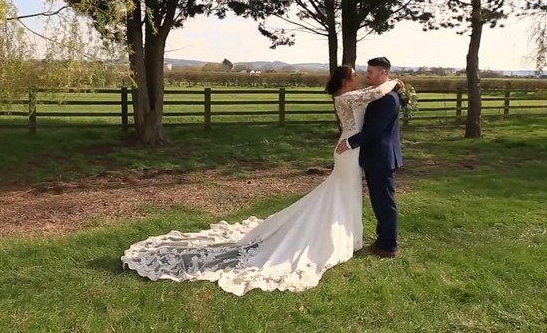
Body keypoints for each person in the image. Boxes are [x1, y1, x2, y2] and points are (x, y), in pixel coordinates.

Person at [121, 64, 402, 296]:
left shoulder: (355, 94)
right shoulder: (345, 98)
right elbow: (376, 91)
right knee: (341, 191)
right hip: (348, 150)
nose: (359, 76)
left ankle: (348, 236)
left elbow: (373, 92)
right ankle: (333, 238)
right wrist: (395, 82)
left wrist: (391, 85)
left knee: (346, 192)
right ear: (344, 81)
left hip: (352, 150)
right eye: (354, 74)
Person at [335, 57, 403, 258]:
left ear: (383, 73)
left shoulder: (388, 98)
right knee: (379, 201)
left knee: (385, 203)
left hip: (382, 157)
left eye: (371, 72)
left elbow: (375, 129)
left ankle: (388, 246)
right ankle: (383, 239)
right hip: (375, 156)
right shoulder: (379, 95)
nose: (367, 75)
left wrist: (349, 143)